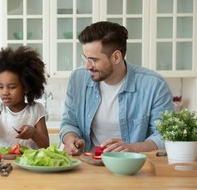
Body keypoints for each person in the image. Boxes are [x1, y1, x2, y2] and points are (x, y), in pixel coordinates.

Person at [59, 21, 174, 156]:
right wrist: (70, 138)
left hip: (133, 167)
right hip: (88, 165)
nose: (87, 66)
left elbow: (164, 135)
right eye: (85, 58)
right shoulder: (78, 79)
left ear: (116, 57)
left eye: (94, 60)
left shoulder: (154, 85)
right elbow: (69, 122)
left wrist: (132, 148)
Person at [0, 46, 49, 151]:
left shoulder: (36, 109)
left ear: (26, 87)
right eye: (1, 87)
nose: (5, 92)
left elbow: (45, 145)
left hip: (28, 163)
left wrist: (33, 133)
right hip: (2, 161)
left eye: (12, 87)